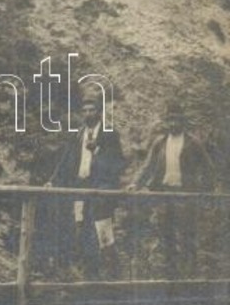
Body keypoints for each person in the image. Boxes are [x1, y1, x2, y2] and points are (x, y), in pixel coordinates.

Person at [129, 104, 215, 277]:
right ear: (166, 122)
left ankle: (190, 274)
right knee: (166, 234)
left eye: (176, 120)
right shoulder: (160, 142)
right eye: (170, 120)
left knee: (187, 235)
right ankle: (171, 274)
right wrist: (135, 183)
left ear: (182, 122)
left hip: (185, 195)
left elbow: (208, 167)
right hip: (164, 194)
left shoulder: (193, 142)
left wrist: (205, 189)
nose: (173, 124)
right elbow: (148, 165)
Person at [45, 91, 125, 279]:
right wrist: (53, 180)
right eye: (85, 110)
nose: (88, 113)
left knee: (103, 231)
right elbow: (66, 160)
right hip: (81, 187)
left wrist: (97, 150)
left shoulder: (109, 134)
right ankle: (90, 273)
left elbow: (118, 163)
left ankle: (113, 274)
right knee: (82, 229)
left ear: (99, 112)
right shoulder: (79, 134)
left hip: (101, 190)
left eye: (92, 110)